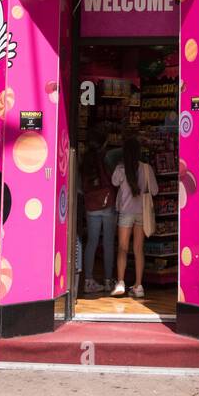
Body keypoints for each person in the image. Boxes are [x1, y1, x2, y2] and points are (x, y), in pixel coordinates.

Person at [110, 135, 157, 300]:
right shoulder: (146, 169)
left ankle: (121, 282)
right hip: (141, 213)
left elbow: (114, 182)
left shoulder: (121, 169)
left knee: (122, 248)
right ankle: (138, 285)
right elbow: (155, 190)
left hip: (125, 212)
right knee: (138, 249)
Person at [81, 126, 116, 294]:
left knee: (92, 242)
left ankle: (88, 280)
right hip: (107, 202)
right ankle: (108, 281)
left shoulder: (84, 159)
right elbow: (113, 179)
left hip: (91, 205)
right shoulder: (106, 158)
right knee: (108, 242)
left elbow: (82, 186)